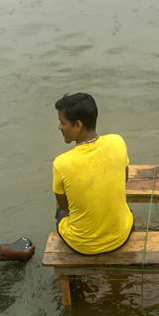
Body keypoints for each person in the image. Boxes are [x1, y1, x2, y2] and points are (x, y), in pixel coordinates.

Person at [52, 93, 134, 254]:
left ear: (78, 125)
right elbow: (124, 178)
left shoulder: (61, 163)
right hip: (121, 236)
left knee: (59, 210)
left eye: (62, 122)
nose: (59, 127)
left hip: (84, 245)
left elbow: (64, 206)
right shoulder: (117, 141)